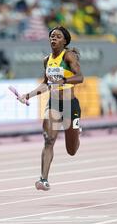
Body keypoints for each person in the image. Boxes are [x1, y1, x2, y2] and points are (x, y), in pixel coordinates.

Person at [18, 26, 84, 190]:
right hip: (53, 104)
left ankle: (77, 133)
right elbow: (46, 84)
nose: (53, 38)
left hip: (70, 105)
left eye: (58, 36)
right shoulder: (46, 60)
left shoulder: (69, 56)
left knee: (71, 150)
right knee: (49, 140)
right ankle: (43, 179)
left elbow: (80, 77)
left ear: (65, 41)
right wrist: (28, 95)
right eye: (52, 36)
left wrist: (64, 81)